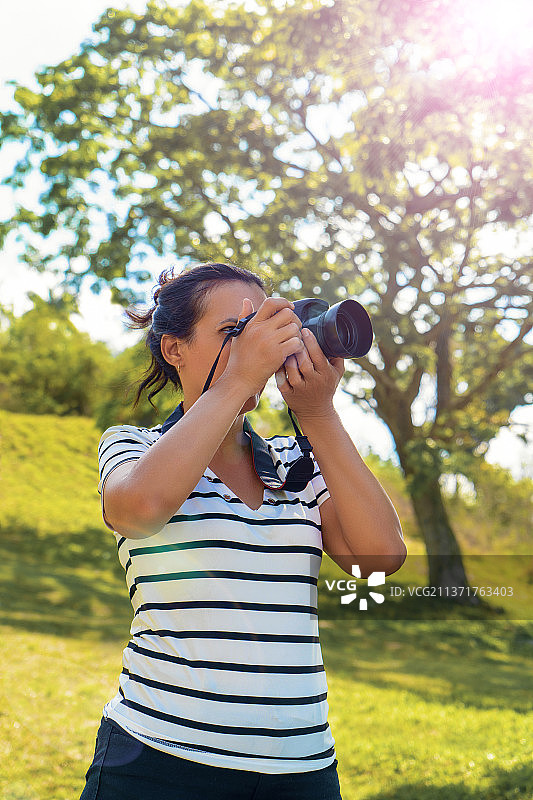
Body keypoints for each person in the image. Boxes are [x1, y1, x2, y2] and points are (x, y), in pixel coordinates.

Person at [80, 262, 406, 800]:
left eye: (265, 329)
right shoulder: (133, 447)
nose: (256, 346)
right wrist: (237, 381)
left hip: (301, 771)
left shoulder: (296, 461)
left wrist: (319, 415)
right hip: (159, 761)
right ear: (174, 349)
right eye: (235, 332)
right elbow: (139, 509)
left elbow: (378, 556)